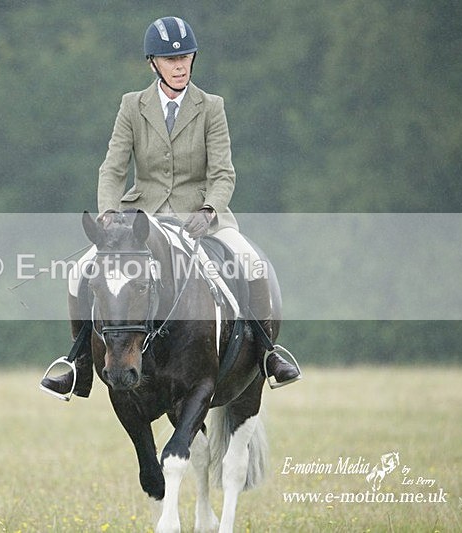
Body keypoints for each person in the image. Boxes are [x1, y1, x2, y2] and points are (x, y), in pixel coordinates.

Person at [41, 16, 300, 398]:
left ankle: (267, 353)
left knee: (251, 262)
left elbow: (224, 172)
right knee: (80, 270)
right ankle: (78, 366)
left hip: (201, 218)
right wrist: (109, 211)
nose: (179, 66)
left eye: (185, 58)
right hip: (141, 220)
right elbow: (113, 167)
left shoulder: (212, 107)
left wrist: (210, 210)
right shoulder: (132, 106)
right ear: (153, 64)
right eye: (170, 59)